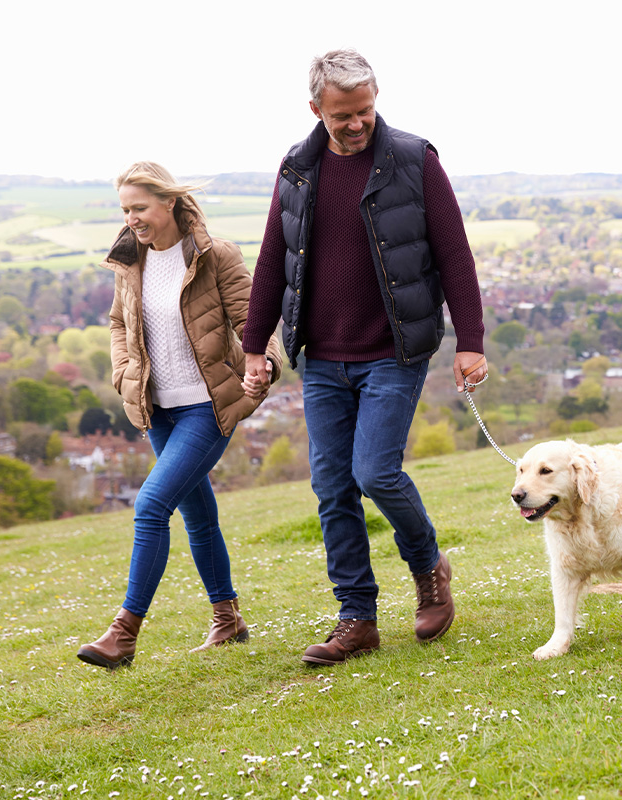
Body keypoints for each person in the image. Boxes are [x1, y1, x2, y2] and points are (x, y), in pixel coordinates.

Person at [241, 48, 487, 666]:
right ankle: (357, 618)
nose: (357, 124)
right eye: (343, 114)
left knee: (375, 473)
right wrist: (254, 347)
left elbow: (454, 254)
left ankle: (429, 567)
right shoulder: (297, 167)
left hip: (393, 350)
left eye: (366, 111)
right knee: (331, 487)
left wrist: (471, 341)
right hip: (321, 356)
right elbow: (274, 260)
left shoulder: (413, 159)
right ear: (316, 108)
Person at [77, 162, 283, 670]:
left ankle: (124, 633)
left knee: (150, 506)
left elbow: (252, 318)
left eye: (140, 208)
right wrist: (124, 372)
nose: (132, 219)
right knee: (197, 514)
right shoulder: (131, 261)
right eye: (126, 210)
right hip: (159, 410)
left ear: (169, 203)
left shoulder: (216, 256)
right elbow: (118, 323)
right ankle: (228, 617)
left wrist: (267, 362)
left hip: (207, 407)